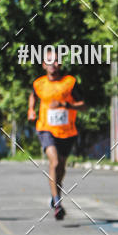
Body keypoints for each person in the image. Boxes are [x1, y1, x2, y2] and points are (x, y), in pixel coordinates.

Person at [28, 56, 84, 220]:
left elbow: (84, 105)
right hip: (46, 129)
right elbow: (33, 95)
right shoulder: (39, 83)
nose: (53, 64)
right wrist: (31, 110)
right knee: (55, 162)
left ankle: (55, 194)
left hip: (67, 131)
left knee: (61, 167)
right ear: (44, 65)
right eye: (49, 61)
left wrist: (66, 105)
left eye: (56, 61)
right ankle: (57, 202)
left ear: (60, 64)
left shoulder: (69, 83)